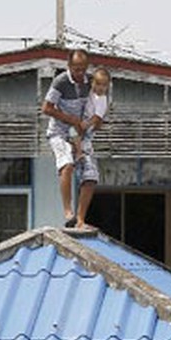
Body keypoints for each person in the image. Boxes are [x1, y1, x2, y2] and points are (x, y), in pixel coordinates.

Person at [41, 48, 96, 229]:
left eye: (83, 69)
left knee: (90, 175)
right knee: (67, 164)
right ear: (69, 66)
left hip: (80, 133)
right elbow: (47, 108)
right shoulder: (61, 82)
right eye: (76, 69)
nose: (80, 73)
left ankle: (79, 219)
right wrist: (71, 119)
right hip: (60, 132)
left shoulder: (91, 82)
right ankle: (68, 211)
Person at [70, 67, 111, 190]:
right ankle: (78, 153)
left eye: (104, 85)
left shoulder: (102, 99)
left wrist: (86, 124)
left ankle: (79, 154)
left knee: (77, 135)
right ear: (92, 82)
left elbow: (98, 117)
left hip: (89, 124)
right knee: (75, 136)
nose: (100, 88)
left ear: (108, 87)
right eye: (98, 84)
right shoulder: (90, 93)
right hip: (84, 119)